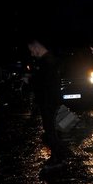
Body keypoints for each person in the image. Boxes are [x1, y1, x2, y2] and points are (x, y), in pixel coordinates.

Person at [27, 38, 68, 172]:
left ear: (37, 46)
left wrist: (31, 80)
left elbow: (46, 85)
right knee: (51, 131)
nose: (32, 54)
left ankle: (58, 158)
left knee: (51, 131)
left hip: (49, 102)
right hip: (50, 102)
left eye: (32, 50)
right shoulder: (50, 61)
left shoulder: (48, 62)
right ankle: (57, 157)